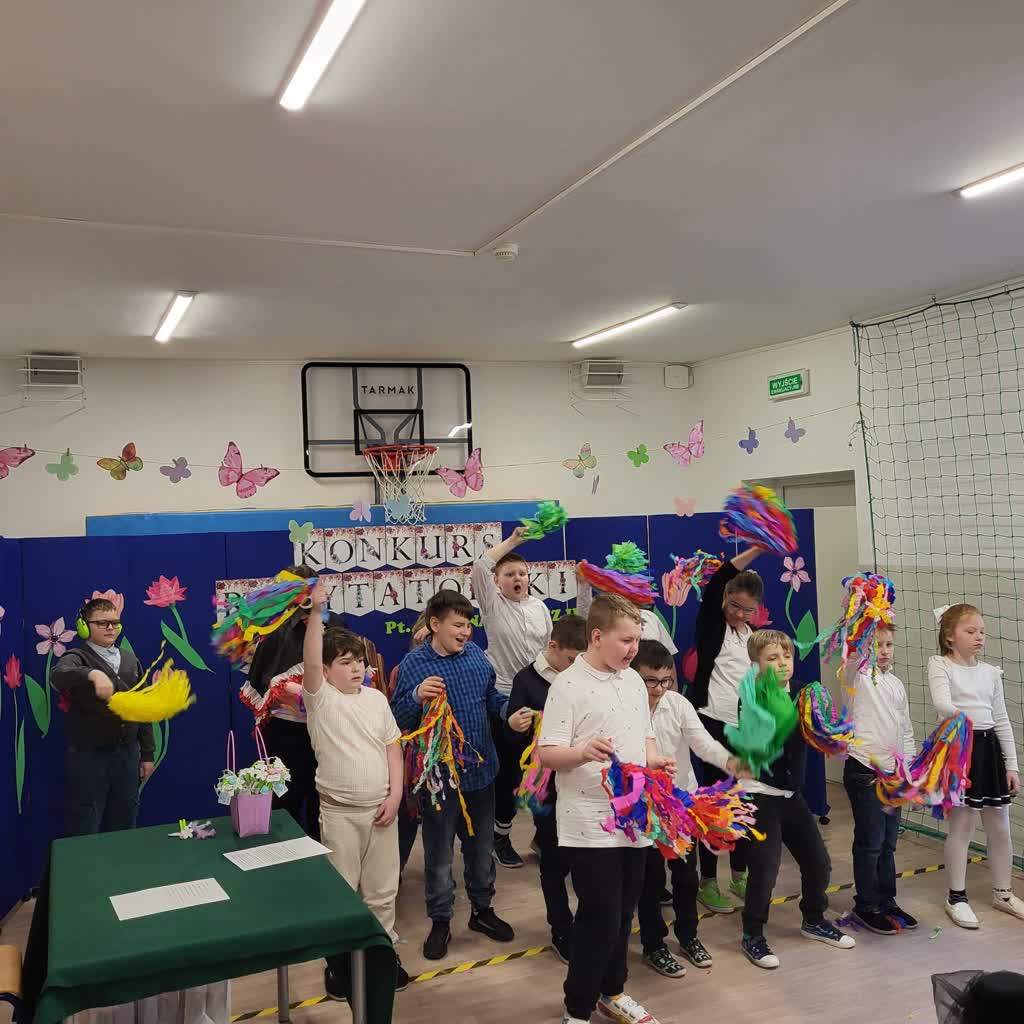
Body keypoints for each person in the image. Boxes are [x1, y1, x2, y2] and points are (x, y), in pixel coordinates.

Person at [538, 594, 674, 1024]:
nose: (633, 649)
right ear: (597, 637)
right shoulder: (567, 686)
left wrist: (653, 758)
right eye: (626, 640)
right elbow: (547, 753)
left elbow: (644, 733)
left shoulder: (632, 680)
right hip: (588, 823)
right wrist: (581, 752)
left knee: (623, 915)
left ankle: (611, 992)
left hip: (633, 819)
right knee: (599, 918)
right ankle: (576, 1008)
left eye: (637, 640)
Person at [391, 589, 516, 960]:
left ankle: (482, 910)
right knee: (439, 855)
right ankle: (441, 920)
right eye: (458, 625)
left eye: (468, 625)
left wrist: (509, 713)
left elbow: (490, 699)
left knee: (480, 850)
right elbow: (396, 720)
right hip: (439, 781)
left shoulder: (476, 656)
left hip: (481, 774)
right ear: (434, 624)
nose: (465, 632)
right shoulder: (414, 664)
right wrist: (416, 696)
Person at [301, 580, 407, 998]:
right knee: (343, 893)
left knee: (382, 892)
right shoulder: (321, 699)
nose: (356, 668)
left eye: (359, 661)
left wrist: (395, 795)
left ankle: (382, 959)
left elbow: (393, 747)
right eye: (345, 662)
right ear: (327, 671)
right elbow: (310, 662)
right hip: (341, 814)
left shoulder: (376, 700)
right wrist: (316, 614)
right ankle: (340, 967)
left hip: (382, 811)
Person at [632, 640, 749, 978]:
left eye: (665, 680)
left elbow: (703, 744)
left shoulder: (678, 704)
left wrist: (730, 761)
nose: (659, 688)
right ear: (633, 677)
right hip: (643, 808)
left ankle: (688, 936)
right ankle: (654, 944)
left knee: (686, 876)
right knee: (651, 881)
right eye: (650, 681)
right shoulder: (624, 708)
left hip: (681, 805)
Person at [740, 629, 854, 969]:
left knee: (818, 862)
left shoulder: (805, 692)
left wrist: (831, 729)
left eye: (786, 656)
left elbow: (821, 730)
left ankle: (814, 919)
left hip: (792, 796)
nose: (782, 663)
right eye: (772, 658)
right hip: (761, 795)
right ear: (756, 664)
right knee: (765, 869)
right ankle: (752, 934)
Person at [929, 604, 1024, 928]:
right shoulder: (940, 664)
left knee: (1000, 826)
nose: (979, 637)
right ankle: (956, 897)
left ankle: (1003, 893)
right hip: (961, 750)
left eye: (982, 631)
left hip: (989, 750)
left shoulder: (990, 673)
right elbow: (942, 703)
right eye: (970, 631)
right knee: (963, 826)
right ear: (949, 636)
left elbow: (1001, 719)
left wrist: (1011, 766)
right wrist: (965, 719)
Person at [504, 614, 589, 964]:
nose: (577, 666)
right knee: (554, 863)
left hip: (583, 784)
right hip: (547, 790)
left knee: (585, 863)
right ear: (553, 647)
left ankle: (588, 923)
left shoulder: (585, 678)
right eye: (571, 659)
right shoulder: (526, 681)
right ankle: (561, 928)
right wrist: (513, 725)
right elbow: (513, 743)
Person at [471, 526, 553, 869]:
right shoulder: (492, 606)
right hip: (505, 697)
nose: (517, 578)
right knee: (509, 775)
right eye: (509, 574)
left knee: (544, 771)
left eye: (522, 573)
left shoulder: (540, 608)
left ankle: (543, 837)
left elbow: (549, 652)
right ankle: (500, 837)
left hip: (540, 695)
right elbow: (479, 566)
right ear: (497, 581)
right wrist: (514, 541)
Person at [244, 564, 345, 840]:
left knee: (323, 803)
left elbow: (351, 671)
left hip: (328, 731)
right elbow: (266, 683)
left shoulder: (335, 624)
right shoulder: (274, 630)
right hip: (287, 733)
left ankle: (323, 857)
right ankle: (282, 856)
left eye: (313, 588)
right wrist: (298, 694)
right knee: (285, 802)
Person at [690, 546, 763, 913]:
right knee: (714, 806)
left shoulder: (753, 636)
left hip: (743, 731)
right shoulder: (713, 625)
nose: (738, 614)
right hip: (711, 725)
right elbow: (720, 576)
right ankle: (707, 882)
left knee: (744, 803)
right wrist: (759, 548)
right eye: (734, 605)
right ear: (725, 599)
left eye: (747, 610)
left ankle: (739, 875)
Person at [51, 596, 154, 836]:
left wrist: (147, 753)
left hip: (127, 755)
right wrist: (92, 674)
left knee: (125, 816)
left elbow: (142, 707)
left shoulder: (130, 660)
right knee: (87, 819)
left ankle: (122, 861)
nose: (110, 628)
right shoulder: (77, 656)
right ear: (84, 627)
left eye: (115, 623)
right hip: (89, 756)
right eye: (102, 623)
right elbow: (58, 674)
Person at [844, 624, 918, 934]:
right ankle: (866, 905)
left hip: (894, 776)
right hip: (864, 771)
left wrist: (909, 772)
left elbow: (906, 729)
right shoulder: (858, 677)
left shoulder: (896, 684)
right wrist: (867, 615)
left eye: (888, 644)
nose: (884, 651)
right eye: (876, 645)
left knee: (888, 843)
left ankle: (887, 901)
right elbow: (853, 653)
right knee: (870, 842)